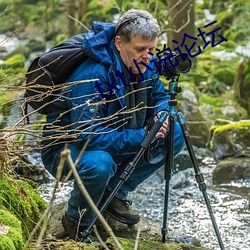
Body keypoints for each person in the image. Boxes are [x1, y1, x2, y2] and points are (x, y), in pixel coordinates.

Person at [41, 9, 185, 241]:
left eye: (152, 49)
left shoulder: (144, 63)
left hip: (116, 136)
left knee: (175, 132)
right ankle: (76, 221)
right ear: (119, 43)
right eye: (140, 49)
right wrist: (142, 135)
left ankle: (115, 193)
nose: (148, 56)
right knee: (100, 164)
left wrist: (161, 114)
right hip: (67, 150)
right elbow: (87, 135)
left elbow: (159, 96)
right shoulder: (92, 75)